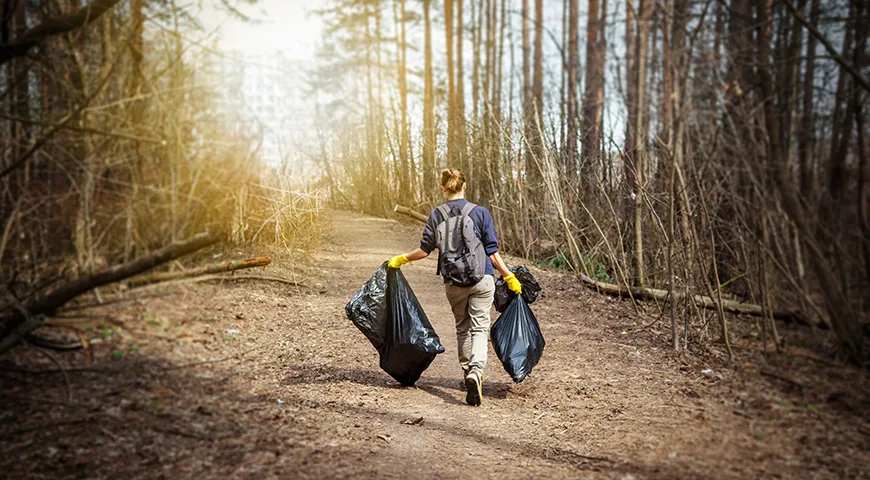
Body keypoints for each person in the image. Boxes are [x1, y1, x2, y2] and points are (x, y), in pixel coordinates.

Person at [387, 168, 522, 406]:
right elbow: (492, 254)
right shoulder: (480, 213)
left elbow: (424, 251)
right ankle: (476, 371)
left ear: (443, 188)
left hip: (453, 283)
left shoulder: (435, 215)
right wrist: (509, 276)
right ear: (465, 186)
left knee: (463, 328)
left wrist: (401, 259)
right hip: (482, 280)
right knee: (480, 327)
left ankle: (467, 370)